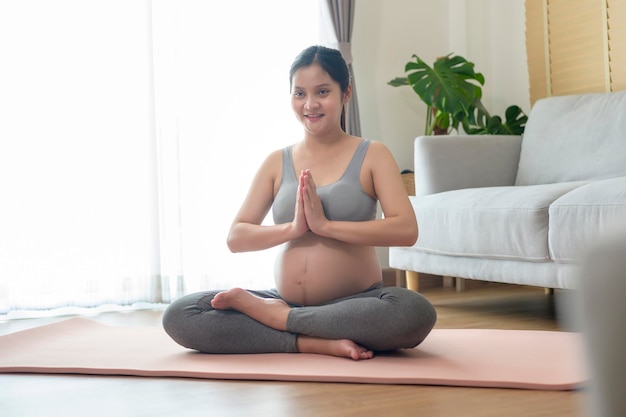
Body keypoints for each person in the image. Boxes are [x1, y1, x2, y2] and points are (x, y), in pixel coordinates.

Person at [162, 45, 437, 360]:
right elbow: (237, 238)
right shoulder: (276, 161)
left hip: (357, 301)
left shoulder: (373, 154)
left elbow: (406, 229)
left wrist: (326, 226)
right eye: (299, 94)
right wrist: (293, 229)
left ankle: (279, 322)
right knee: (183, 314)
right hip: (284, 299)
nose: (310, 104)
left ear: (346, 93)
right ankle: (311, 340)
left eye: (322, 92)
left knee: (412, 313)